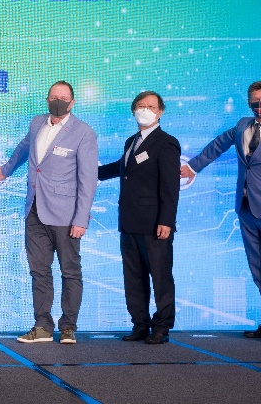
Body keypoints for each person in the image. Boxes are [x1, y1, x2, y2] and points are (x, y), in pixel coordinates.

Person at [181, 80, 261, 344]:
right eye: (256, 101)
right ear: (250, 103)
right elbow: (217, 145)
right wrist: (193, 167)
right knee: (259, 269)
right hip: (246, 209)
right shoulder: (241, 126)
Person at [0, 81, 97, 345]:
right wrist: (6, 169)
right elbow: (25, 147)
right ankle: (42, 326)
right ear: (47, 100)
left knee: (70, 271)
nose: (58, 101)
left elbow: (88, 180)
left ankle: (68, 327)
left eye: (63, 97)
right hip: (34, 209)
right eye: (54, 97)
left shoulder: (83, 133)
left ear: (72, 102)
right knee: (39, 271)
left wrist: (81, 218)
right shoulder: (37, 123)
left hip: (67, 215)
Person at [96, 91, 180, 345]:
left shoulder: (166, 142)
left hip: (155, 223)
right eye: (140, 106)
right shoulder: (131, 141)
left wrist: (167, 220)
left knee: (160, 276)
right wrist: (89, 171)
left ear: (160, 112)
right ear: (133, 110)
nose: (145, 110)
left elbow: (170, 185)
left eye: (150, 106)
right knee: (133, 277)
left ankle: (162, 326)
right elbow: (122, 168)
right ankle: (140, 324)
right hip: (129, 220)